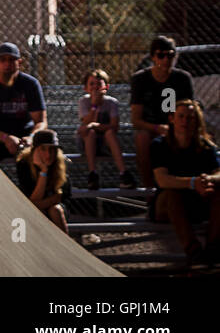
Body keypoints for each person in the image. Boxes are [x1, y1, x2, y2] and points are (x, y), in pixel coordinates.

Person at [149, 100, 220, 267]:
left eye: (190, 118)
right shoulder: (160, 145)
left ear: (197, 121)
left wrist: (208, 180)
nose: (185, 122)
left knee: (219, 194)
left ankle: (213, 251)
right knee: (173, 194)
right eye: (181, 116)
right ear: (172, 118)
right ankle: (194, 252)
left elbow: (218, 172)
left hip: (197, 202)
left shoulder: (205, 146)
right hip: (166, 206)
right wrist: (193, 182)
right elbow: (162, 179)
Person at [132, 35, 196, 178]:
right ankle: (150, 192)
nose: (166, 60)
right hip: (151, 128)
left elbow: (191, 110)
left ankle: (183, 182)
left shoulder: (183, 78)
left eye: (170, 55)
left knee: (188, 137)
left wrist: (174, 127)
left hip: (177, 126)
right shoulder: (140, 79)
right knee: (142, 138)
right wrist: (157, 128)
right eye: (161, 55)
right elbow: (136, 120)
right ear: (153, 57)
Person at [0, 42, 47, 162]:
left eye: (12, 60)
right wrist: (5, 138)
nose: (7, 64)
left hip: (24, 138)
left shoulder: (31, 84)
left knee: (38, 152)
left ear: (19, 62)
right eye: (3, 60)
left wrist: (31, 138)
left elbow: (41, 122)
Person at [78, 68, 133, 189]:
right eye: (91, 84)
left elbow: (114, 126)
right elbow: (86, 124)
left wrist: (96, 125)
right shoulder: (84, 101)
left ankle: (124, 173)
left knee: (109, 133)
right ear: (85, 88)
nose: (95, 87)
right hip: (88, 142)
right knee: (90, 133)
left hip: (106, 143)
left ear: (106, 87)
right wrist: (94, 105)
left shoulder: (112, 102)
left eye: (99, 84)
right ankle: (93, 173)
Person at [16, 129, 71, 232]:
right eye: (43, 149)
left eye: (52, 149)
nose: (48, 154)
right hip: (34, 209)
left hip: (56, 208)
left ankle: (66, 246)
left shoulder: (60, 163)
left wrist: (37, 204)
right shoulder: (24, 164)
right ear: (34, 150)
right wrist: (43, 171)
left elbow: (60, 197)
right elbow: (32, 199)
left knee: (55, 210)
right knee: (38, 212)